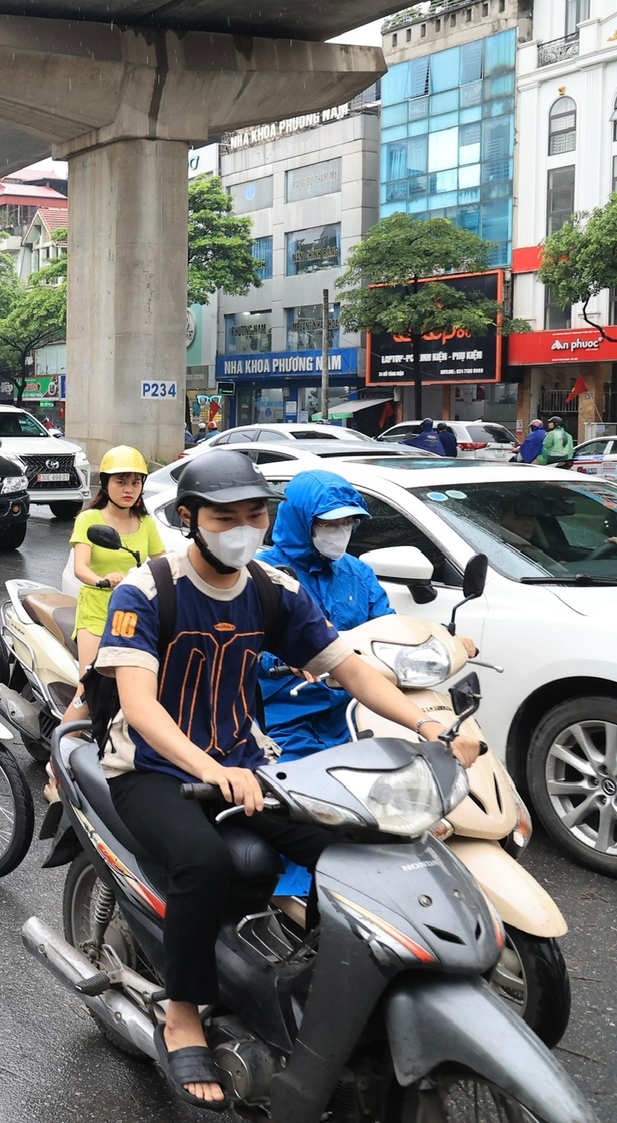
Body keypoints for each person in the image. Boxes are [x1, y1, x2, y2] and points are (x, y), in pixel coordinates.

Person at [93, 449, 481, 1108]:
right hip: (154, 771)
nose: (242, 526)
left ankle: (333, 990)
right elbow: (139, 707)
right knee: (204, 862)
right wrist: (214, 768)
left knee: (357, 849)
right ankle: (183, 1010)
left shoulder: (273, 588)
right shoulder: (148, 589)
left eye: (254, 513)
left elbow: (346, 666)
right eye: (225, 515)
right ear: (189, 518)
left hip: (246, 765)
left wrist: (429, 725)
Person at [253, 468, 481, 893]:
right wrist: (280, 659)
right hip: (283, 720)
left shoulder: (356, 573)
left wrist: (442, 642)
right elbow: (245, 641)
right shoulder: (264, 574)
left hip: (357, 716)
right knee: (300, 817)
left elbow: (387, 631)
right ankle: (292, 905)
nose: (340, 532)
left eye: (347, 523)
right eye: (329, 523)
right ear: (301, 520)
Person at [68, 445, 164, 701]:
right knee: (89, 691)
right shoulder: (89, 519)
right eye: (121, 482)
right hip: (97, 611)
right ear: (105, 483)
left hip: (134, 612)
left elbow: (162, 563)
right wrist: (103, 581)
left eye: (135, 482)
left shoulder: (146, 523)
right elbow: (80, 568)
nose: (129, 489)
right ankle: (65, 740)